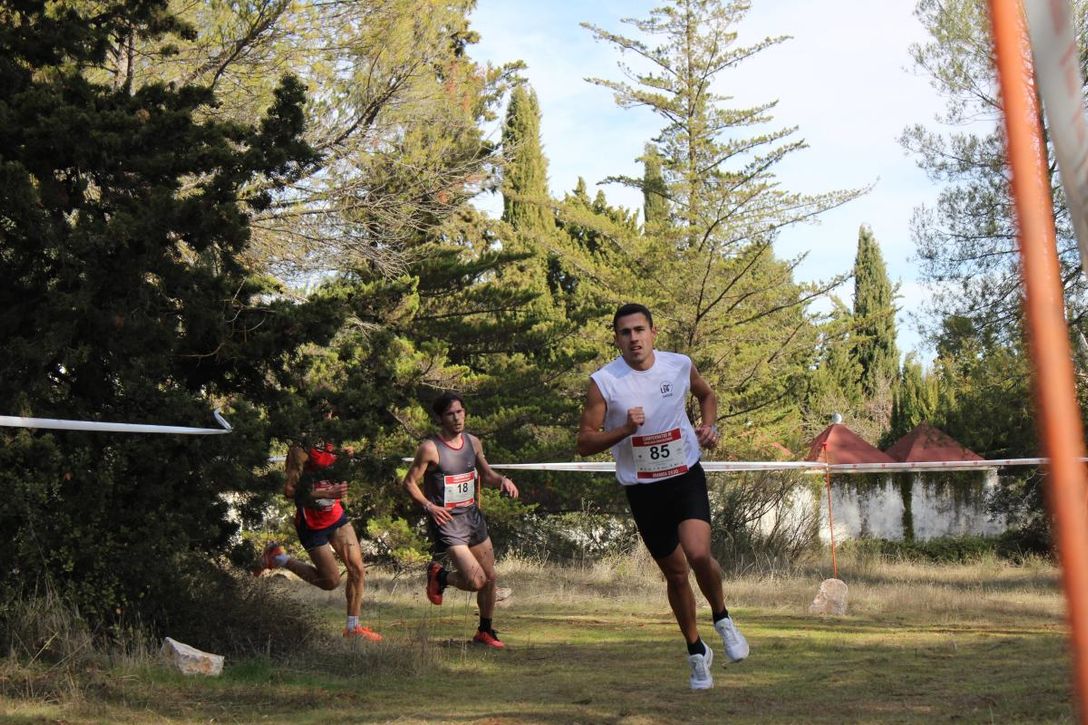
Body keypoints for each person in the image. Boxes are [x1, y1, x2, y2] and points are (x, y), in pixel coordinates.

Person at [576, 302, 748, 691]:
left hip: (684, 475)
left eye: (640, 330)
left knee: (698, 553)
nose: (633, 338)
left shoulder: (679, 364)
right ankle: (696, 651)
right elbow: (584, 442)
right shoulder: (605, 382)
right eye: (625, 332)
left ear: (654, 332)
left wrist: (708, 427)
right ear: (617, 338)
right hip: (643, 489)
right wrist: (622, 430)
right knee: (675, 573)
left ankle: (722, 618)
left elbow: (707, 394)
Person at [401, 392, 519, 649]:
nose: (457, 418)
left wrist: (502, 481)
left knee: (491, 578)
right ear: (440, 419)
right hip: (448, 523)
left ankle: (485, 631)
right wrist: (429, 506)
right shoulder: (430, 448)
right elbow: (409, 483)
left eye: (460, 412)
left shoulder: (473, 442)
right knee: (477, 581)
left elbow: (486, 475)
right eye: (450, 414)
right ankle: (440, 576)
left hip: (472, 518)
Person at [255, 441, 382, 642]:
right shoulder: (300, 450)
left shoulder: (336, 442)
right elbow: (289, 491)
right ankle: (279, 558)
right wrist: (325, 494)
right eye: (324, 411)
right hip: (311, 524)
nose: (329, 415)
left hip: (335, 516)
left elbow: (335, 475)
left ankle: (353, 628)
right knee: (331, 582)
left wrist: (346, 460)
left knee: (357, 569)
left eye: (331, 412)